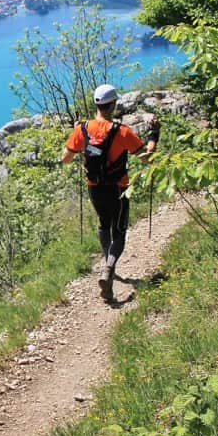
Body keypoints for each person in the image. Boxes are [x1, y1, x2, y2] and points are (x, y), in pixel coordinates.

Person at [62, 83, 159, 302]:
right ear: (113, 104)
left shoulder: (82, 129)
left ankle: (108, 268)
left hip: (94, 188)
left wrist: (76, 131)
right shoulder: (122, 131)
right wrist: (154, 135)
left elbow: (65, 158)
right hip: (118, 188)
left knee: (104, 225)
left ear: (96, 104)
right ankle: (109, 268)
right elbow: (147, 158)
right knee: (120, 232)